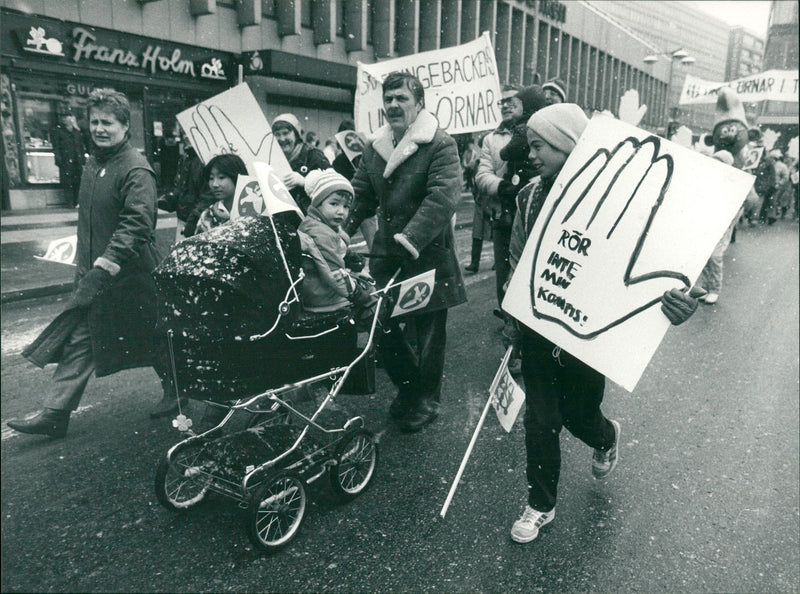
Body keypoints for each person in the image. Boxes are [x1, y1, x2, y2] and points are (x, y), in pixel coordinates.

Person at [505, 103, 700, 543]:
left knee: (578, 414)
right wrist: (512, 313)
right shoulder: (529, 197)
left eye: (539, 145)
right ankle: (540, 504)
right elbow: (518, 257)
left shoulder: (620, 195)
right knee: (539, 419)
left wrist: (680, 299)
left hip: (590, 336)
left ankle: (606, 435)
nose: (530, 154)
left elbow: (662, 260)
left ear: (566, 144)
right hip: (539, 328)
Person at [7, 88, 177, 437]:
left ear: (125, 126)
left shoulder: (136, 169)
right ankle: (55, 413)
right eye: (94, 121)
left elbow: (138, 223)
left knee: (154, 336)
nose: (100, 128)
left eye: (108, 122)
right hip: (97, 277)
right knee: (83, 338)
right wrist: (89, 268)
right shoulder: (94, 162)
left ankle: (178, 389)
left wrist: (106, 263)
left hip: (133, 277)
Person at [343, 71, 466, 432]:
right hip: (385, 256)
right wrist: (336, 231)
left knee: (429, 334)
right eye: (389, 99)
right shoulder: (374, 146)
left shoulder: (440, 144)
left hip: (426, 253)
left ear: (419, 104)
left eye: (402, 99)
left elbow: (443, 197)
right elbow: (360, 194)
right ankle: (410, 389)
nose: (393, 105)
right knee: (381, 325)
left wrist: (409, 238)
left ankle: (425, 401)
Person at [297, 169, 375, 320]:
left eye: (346, 206)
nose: (341, 211)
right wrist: (361, 295)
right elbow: (335, 274)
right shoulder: (319, 232)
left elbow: (337, 251)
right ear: (318, 203)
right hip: (324, 297)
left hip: (323, 289)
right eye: (334, 204)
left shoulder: (323, 225)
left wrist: (351, 258)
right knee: (374, 307)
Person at [157, 129, 213, 239]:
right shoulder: (185, 158)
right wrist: (171, 200)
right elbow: (180, 187)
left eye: (189, 133)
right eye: (184, 133)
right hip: (184, 218)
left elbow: (208, 195)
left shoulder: (205, 160)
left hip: (197, 221)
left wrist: (194, 218)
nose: (186, 137)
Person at [273, 113, 330, 214]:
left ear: (296, 134)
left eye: (286, 133)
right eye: (277, 134)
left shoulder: (313, 155)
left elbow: (332, 184)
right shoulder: (272, 158)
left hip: (309, 219)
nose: (282, 139)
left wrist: (304, 182)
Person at [193, 153, 248, 235]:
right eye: (211, 178)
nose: (214, 184)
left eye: (221, 177)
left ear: (237, 177)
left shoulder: (255, 211)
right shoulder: (208, 216)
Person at [52, 114, 85, 207]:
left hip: (77, 161)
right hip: (66, 160)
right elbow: (56, 147)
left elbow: (81, 147)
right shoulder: (59, 132)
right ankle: (70, 203)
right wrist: (59, 160)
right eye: (66, 119)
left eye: (70, 119)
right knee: (67, 182)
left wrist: (82, 160)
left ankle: (77, 201)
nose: (69, 121)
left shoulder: (77, 132)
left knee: (78, 181)